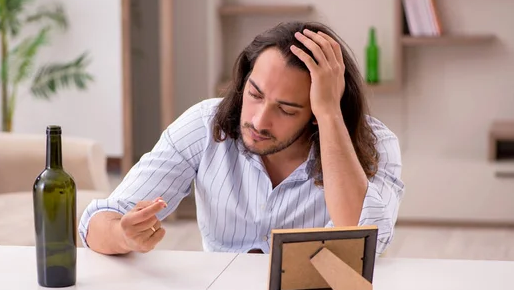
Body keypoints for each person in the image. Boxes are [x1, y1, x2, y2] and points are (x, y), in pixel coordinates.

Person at [78, 21, 405, 256]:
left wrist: (330, 114)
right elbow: (96, 224)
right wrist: (123, 235)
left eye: (287, 110)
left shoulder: (376, 143)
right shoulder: (204, 124)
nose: (260, 121)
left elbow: (365, 243)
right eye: (255, 94)